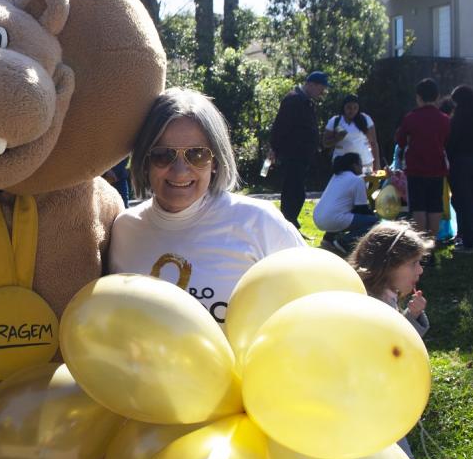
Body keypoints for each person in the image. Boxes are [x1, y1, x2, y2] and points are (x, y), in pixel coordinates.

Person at [110, 87, 305, 325]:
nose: (180, 171)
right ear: (145, 160)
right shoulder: (124, 229)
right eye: (163, 154)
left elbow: (311, 309)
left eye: (197, 154)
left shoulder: (260, 223)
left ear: (215, 161)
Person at [348, 220, 432, 459]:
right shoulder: (369, 304)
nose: (420, 271)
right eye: (413, 263)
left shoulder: (385, 296)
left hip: (380, 404)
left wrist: (411, 316)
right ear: (388, 264)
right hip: (370, 408)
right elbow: (388, 350)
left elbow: (394, 342)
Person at [270, 70, 330, 231]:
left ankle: (292, 224)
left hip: (303, 156)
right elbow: (280, 126)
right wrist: (274, 149)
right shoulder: (293, 100)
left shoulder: (306, 101)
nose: (322, 92)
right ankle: (287, 225)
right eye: (321, 87)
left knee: (298, 191)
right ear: (311, 84)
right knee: (292, 191)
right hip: (293, 155)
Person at [395, 77, 450, 239]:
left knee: (419, 207)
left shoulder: (411, 118)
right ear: (437, 96)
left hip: (416, 168)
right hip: (437, 168)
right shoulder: (445, 119)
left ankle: (421, 245)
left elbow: (400, 140)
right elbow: (447, 141)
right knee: (434, 206)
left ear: (418, 97)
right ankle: (431, 242)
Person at [313, 152, 378, 253]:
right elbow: (361, 209)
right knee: (375, 222)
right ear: (354, 165)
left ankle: (328, 239)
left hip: (318, 217)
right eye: (360, 164)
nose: (362, 167)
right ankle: (345, 242)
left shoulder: (335, 177)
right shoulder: (357, 180)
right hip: (333, 219)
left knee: (342, 212)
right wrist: (375, 216)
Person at [446, 85, 473, 254]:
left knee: (464, 202)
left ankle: (467, 242)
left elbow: (450, 143)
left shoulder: (457, 118)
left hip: (461, 163)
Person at [323, 93, 382, 174]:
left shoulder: (365, 119)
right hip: (342, 165)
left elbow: (373, 142)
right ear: (344, 107)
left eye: (355, 108)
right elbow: (325, 143)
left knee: (365, 186)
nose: (352, 110)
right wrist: (337, 139)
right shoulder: (335, 121)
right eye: (349, 107)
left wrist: (377, 164)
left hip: (364, 164)